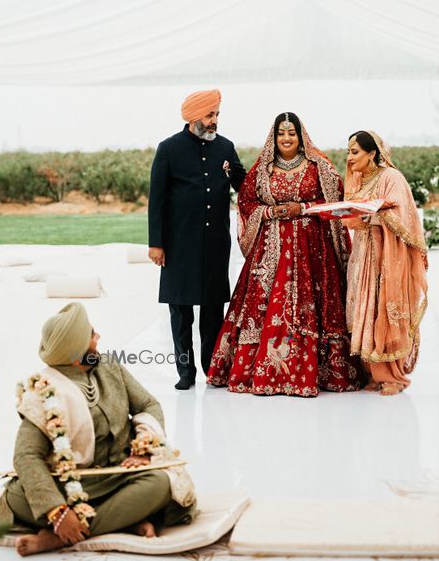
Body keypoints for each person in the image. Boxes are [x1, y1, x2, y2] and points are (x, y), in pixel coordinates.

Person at [0, 303, 197, 556]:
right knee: (17, 497)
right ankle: (116, 521)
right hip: (68, 484)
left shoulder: (110, 366)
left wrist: (143, 449)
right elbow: (26, 456)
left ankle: (60, 538)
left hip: (120, 476)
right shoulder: (42, 390)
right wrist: (57, 512)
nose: (98, 337)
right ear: (76, 348)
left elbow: (147, 404)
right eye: (92, 334)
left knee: (161, 483)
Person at [207, 112, 364, 396]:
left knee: (311, 305)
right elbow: (246, 200)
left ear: (300, 135)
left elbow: (334, 201)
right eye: (282, 133)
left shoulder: (320, 167)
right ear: (274, 136)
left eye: (292, 133)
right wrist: (271, 211)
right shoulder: (262, 170)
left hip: (313, 251)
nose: (287, 138)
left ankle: (319, 373)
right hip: (270, 250)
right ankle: (264, 373)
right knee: (264, 304)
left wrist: (302, 209)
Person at [148, 89, 246, 390]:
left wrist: (237, 173)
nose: (215, 121)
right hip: (179, 244)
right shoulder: (169, 149)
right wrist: (156, 243)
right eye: (209, 115)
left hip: (215, 243)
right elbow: (157, 200)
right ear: (193, 117)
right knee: (180, 311)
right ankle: (185, 373)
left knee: (213, 310)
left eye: (217, 115)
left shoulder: (225, 148)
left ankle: (211, 369)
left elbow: (243, 185)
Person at [344, 131, 428, 395]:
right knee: (363, 308)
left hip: (386, 256)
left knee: (383, 308)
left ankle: (393, 377)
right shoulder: (359, 180)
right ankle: (372, 373)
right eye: (348, 151)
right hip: (363, 254)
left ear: (372, 153)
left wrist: (375, 216)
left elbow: (403, 213)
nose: (349, 158)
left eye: (355, 151)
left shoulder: (391, 177)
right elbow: (352, 217)